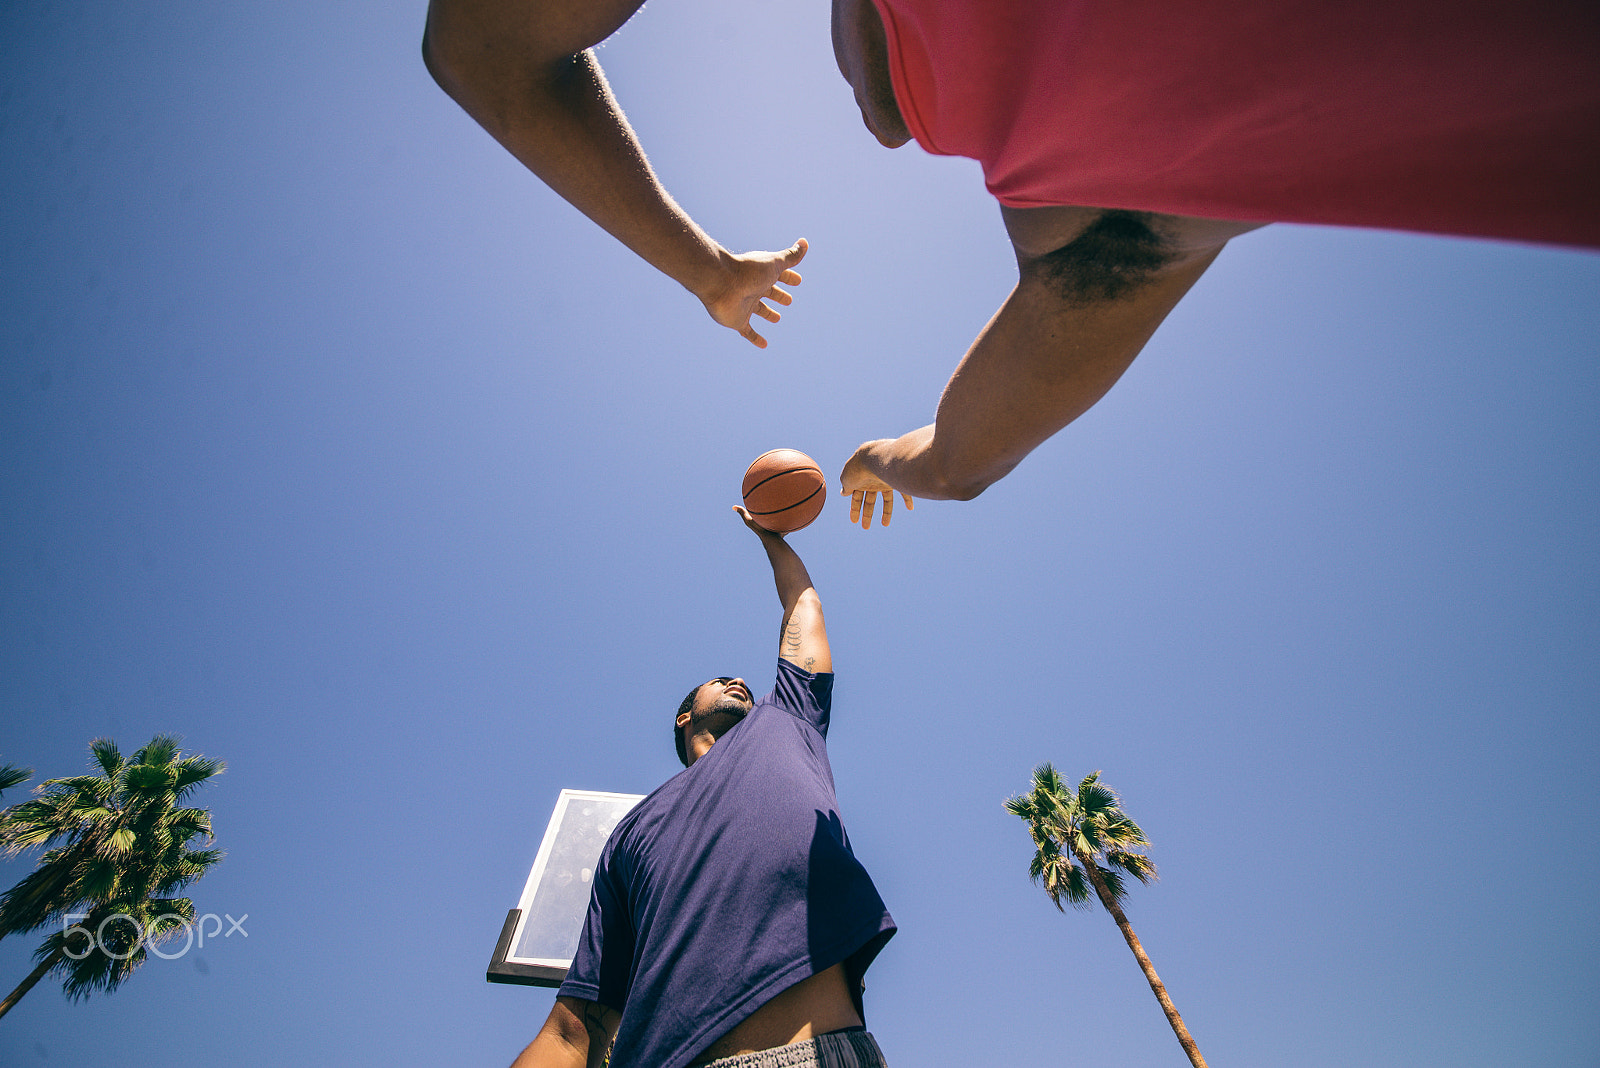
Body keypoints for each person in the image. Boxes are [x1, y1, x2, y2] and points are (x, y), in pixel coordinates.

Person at [423, 0, 1600, 530]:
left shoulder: (1129, 155)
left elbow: (486, 48)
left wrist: (710, 276)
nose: (872, 119)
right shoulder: (1164, 142)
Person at [507, 509, 896, 1068]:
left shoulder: (787, 716)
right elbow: (573, 1032)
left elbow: (803, 607)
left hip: (812, 1050)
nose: (738, 680)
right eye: (717, 681)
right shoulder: (629, 834)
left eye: (741, 681)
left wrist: (771, 539)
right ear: (684, 718)